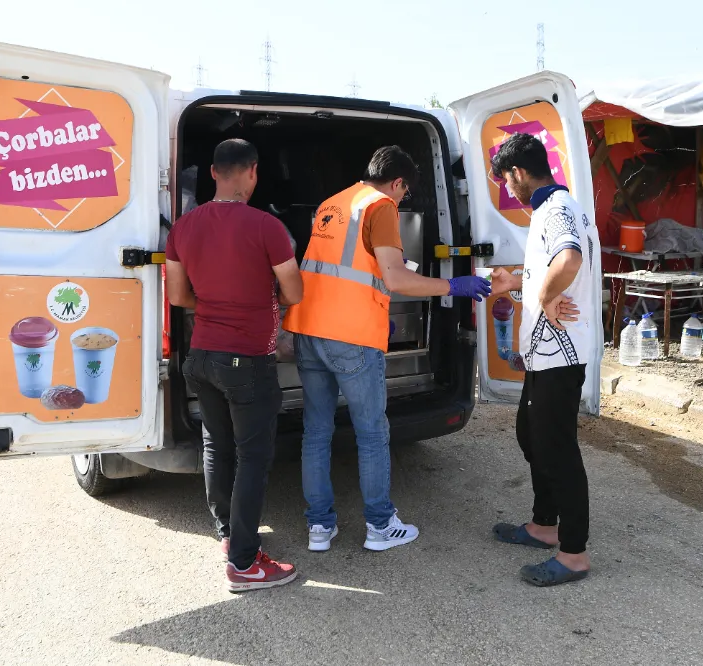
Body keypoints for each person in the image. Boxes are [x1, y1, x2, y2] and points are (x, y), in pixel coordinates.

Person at [283, 146, 492, 553]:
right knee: (373, 435)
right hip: (352, 337)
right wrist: (454, 286)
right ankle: (380, 526)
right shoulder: (380, 207)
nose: (402, 200)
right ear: (397, 183)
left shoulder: (334, 203)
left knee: (316, 433)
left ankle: (320, 528)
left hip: (309, 331)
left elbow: (345, 267)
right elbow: (395, 279)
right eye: (405, 193)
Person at [165, 139, 303, 593]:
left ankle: (229, 536)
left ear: (212, 172)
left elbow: (179, 297)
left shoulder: (182, 228)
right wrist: (262, 299)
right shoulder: (267, 226)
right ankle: (244, 565)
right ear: (253, 173)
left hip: (202, 355)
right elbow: (294, 292)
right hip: (247, 359)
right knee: (253, 456)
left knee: (216, 448)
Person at [486, 133, 599, 587]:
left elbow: (567, 260)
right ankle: (543, 525)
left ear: (517, 173)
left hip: (561, 353)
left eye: (506, 182)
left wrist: (547, 297)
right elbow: (551, 267)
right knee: (531, 436)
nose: (509, 192)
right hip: (545, 355)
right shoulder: (554, 210)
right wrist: (521, 281)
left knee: (557, 449)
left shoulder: (555, 210)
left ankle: (573, 553)